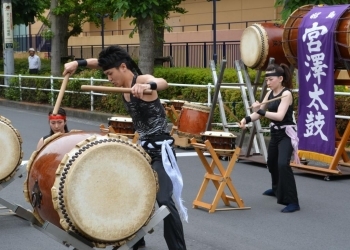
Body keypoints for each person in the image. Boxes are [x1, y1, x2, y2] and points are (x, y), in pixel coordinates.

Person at [63, 45, 188, 250]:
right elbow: (100, 63)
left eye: (110, 74)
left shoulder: (140, 81)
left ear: (123, 67)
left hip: (161, 152)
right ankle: (135, 241)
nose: (109, 78)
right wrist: (78, 63)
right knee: (126, 191)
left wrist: (150, 86)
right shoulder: (121, 78)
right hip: (142, 151)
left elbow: (163, 82)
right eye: (106, 74)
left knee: (164, 200)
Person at [239, 63, 300, 213]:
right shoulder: (269, 93)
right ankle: (277, 189)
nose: (268, 83)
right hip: (275, 133)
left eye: (271, 80)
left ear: (280, 78)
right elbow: (258, 113)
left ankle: (293, 201)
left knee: (282, 165)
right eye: (267, 80)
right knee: (271, 162)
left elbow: (279, 116)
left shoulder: (286, 94)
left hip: (286, 134)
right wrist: (246, 119)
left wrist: (260, 111)